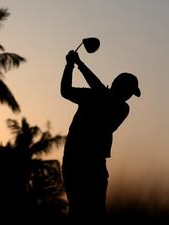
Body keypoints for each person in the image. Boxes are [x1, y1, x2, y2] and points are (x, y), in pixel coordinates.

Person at [60, 50, 140, 223]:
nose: (129, 96)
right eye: (129, 92)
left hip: (89, 162)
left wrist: (78, 64)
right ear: (123, 89)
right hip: (80, 161)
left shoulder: (122, 108)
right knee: (80, 211)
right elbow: (65, 91)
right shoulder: (95, 95)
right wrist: (69, 66)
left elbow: (103, 95)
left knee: (94, 213)